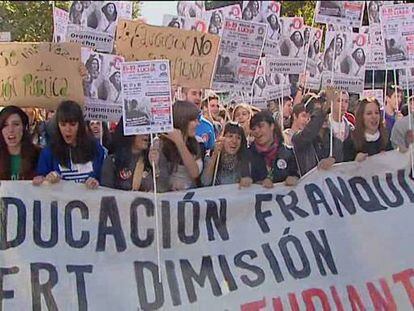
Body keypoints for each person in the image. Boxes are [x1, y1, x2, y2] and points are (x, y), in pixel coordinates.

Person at [33, 101, 105, 189]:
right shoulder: (48, 152)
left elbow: (106, 182)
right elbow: (39, 185)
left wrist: (96, 182)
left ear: (80, 125)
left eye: (73, 124)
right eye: (63, 125)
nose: (68, 129)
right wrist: (47, 180)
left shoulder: (96, 149)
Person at [292, 91, 344, 176]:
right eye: (317, 112)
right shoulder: (298, 139)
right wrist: (323, 110)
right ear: (308, 117)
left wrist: (334, 161)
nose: (325, 116)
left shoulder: (337, 143)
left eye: (328, 112)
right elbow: (309, 133)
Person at [101, 120, 159, 191]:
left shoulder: (153, 159)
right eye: (141, 129)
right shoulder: (112, 161)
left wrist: (155, 167)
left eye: (147, 128)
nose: (146, 133)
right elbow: (106, 193)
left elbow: (163, 192)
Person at [158, 101, 203, 192]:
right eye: (194, 120)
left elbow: (194, 173)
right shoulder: (160, 144)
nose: (198, 124)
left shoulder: (196, 143)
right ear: (182, 120)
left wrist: (180, 142)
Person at [248, 111, 299, 188]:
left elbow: (296, 175)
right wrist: (258, 185)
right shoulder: (247, 155)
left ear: (272, 126)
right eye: (254, 128)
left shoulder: (288, 153)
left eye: (261, 126)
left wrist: (294, 179)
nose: (257, 131)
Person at [202, 122, 252, 187]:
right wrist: (215, 155)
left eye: (238, 138)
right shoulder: (210, 157)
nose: (234, 141)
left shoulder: (245, 159)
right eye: (230, 136)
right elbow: (205, 182)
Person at [343, 97, 392, 162]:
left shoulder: (386, 137)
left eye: (376, 113)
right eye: (369, 113)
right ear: (361, 117)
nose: (374, 116)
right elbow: (344, 169)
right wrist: (355, 162)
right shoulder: (351, 141)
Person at [0, 106, 39, 180]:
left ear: (24, 128)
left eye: (16, 124)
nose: (11, 130)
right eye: (5, 125)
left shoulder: (38, 154)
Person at [182, 87, 216, 151]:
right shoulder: (175, 122)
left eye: (200, 94)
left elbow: (210, 154)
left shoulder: (208, 126)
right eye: (194, 93)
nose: (198, 98)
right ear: (184, 96)